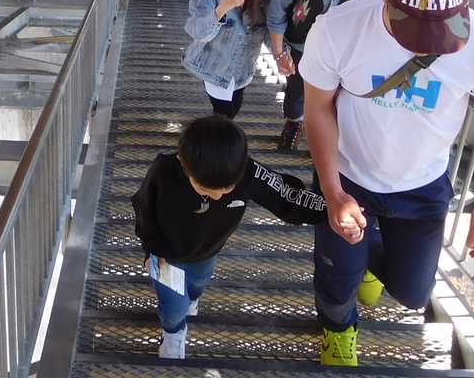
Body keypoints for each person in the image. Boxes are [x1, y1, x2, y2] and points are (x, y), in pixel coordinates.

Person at [299, 0, 474, 367]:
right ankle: (339, 329)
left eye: (438, 33)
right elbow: (317, 108)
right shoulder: (337, 30)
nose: (424, 46)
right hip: (349, 176)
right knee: (336, 281)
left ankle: (367, 257)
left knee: (413, 291)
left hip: (422, 184)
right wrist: (332, 190)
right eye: (414, 31)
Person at [131, 114, 328, 359]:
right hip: (165, 255)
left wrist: (333, 209)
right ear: (183, 163)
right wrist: (152, 247)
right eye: (206, 189)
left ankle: (191, 300)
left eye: (228, 188)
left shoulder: (247, 171)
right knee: (173, 308)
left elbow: (287, 196)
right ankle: (172, 333)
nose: (218, 196)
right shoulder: (163, 171)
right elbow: (143, 207)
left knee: (197, 287)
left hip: (207, 252)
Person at [266, 0, 378, 151]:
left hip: (340, 52)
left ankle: (324, 140)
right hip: (300, 45)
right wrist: (279, 55)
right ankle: (294, 122)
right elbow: (276, 15)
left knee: (335, 97)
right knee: (296, 90)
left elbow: (363, 14)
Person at [183, 0, 271, 118]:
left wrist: (282, 54)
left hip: (243, 69)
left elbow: (272, 28)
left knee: (233, 108)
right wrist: (222, 9)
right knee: (223, 114)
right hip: (213, 66)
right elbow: (197, 31)